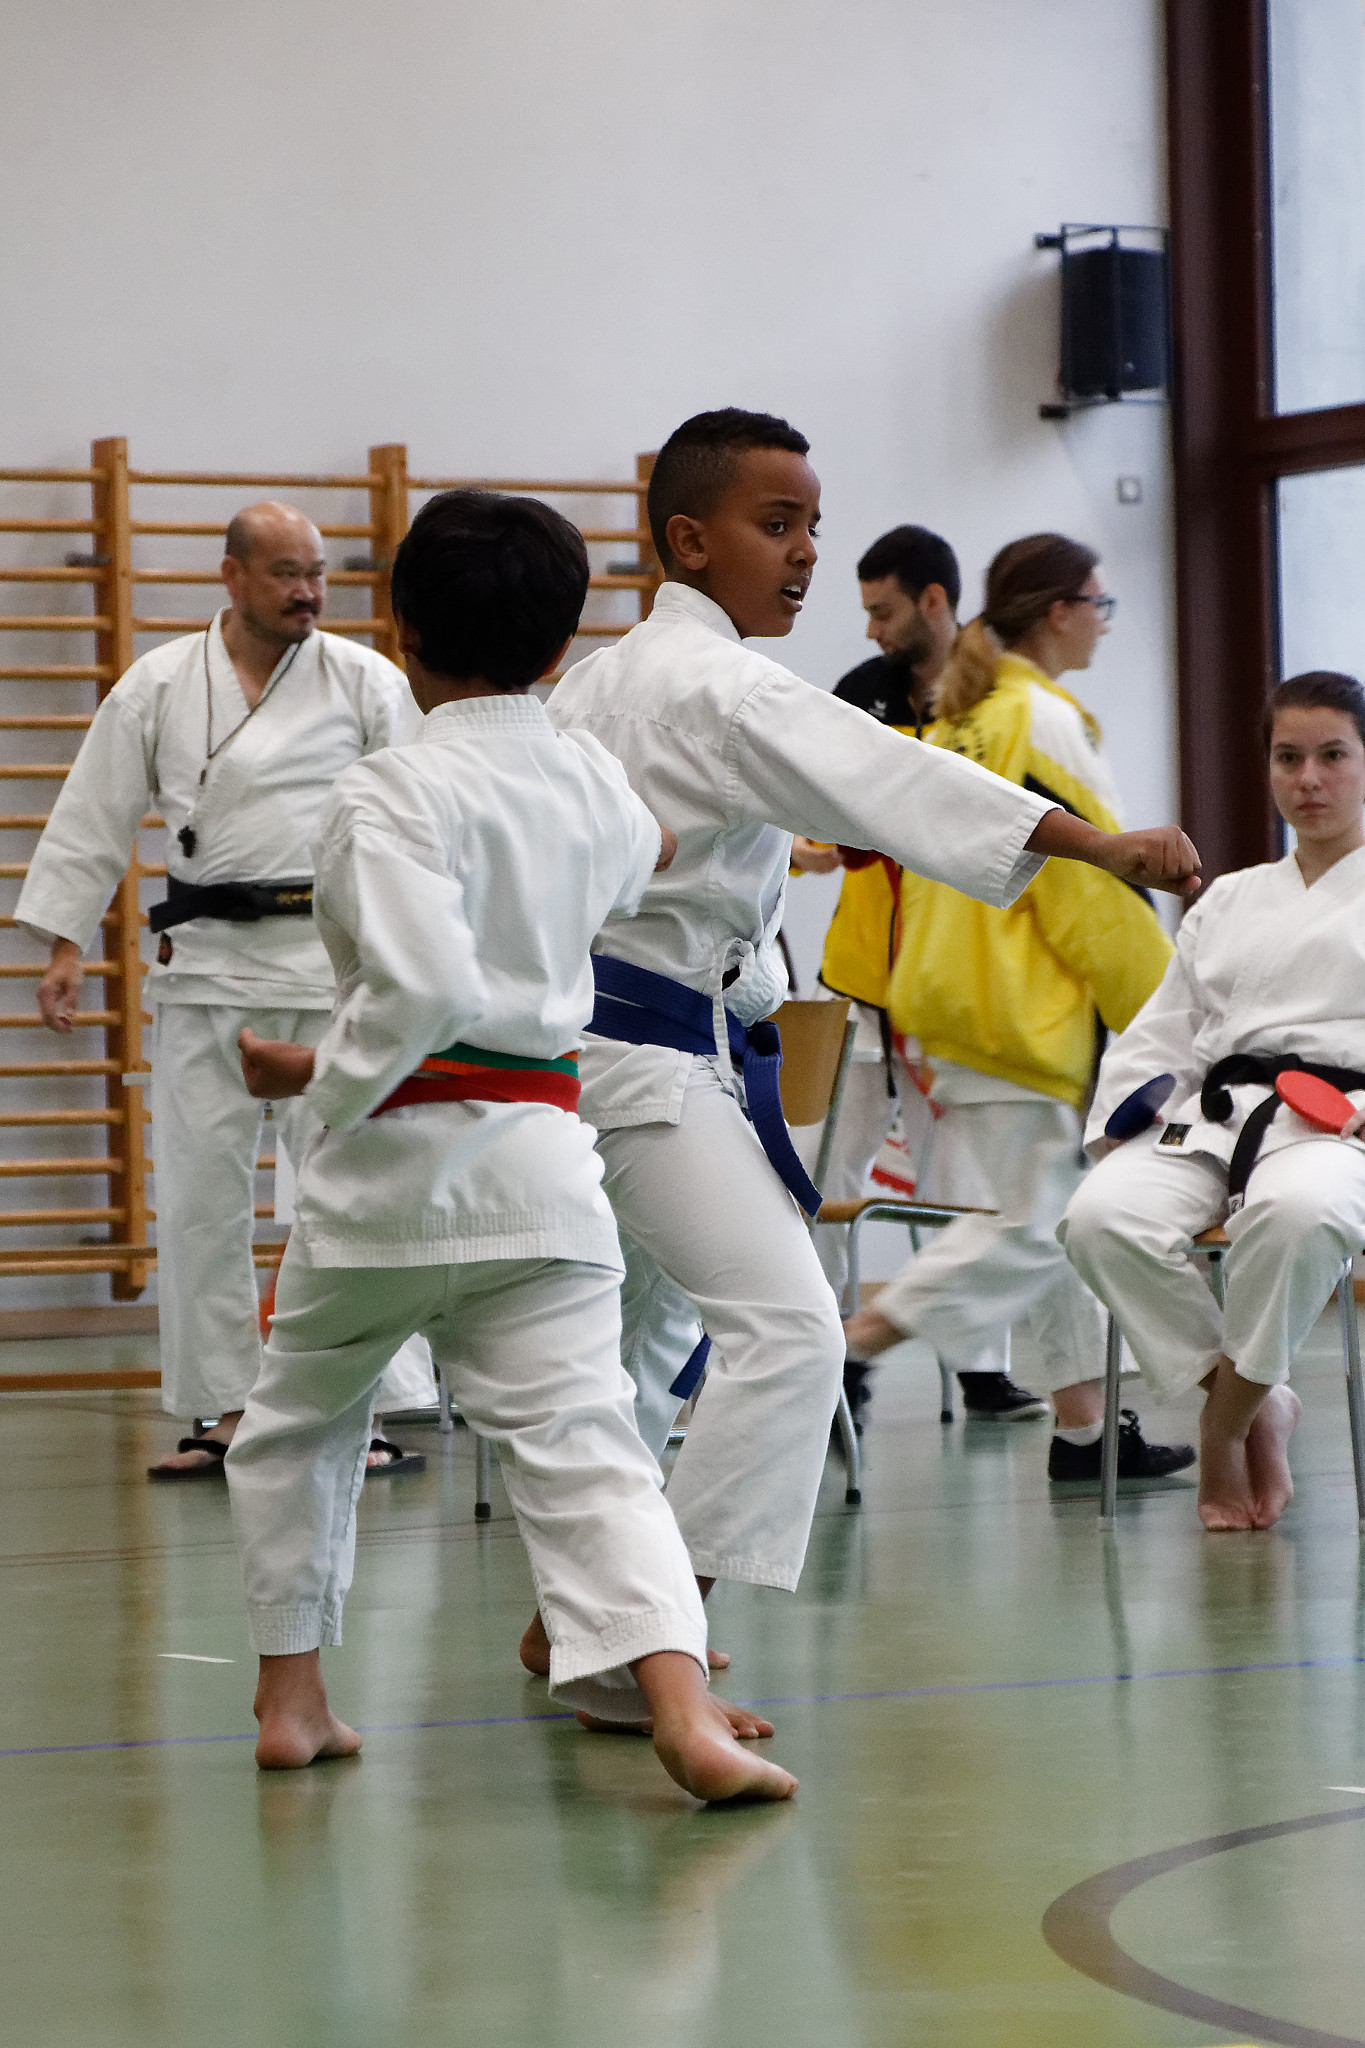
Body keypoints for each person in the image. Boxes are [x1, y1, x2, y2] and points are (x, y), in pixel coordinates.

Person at [539, 417, 1199, 1659]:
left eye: (811, 528)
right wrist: (1102, 845)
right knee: (790, 1333)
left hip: (589, 1051)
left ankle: (579, 1611)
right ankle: (647, 1639)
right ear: (690, 539)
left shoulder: (596, 680)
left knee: (627, 1348)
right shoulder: (723, 686)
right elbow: (903, 784)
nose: (803, 554)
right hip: (654, 1060)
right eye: (775, 525)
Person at [224, 487, 795, 1803]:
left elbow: (423, 985)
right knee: (590, 1446)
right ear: (560, 647)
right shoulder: (591, 780)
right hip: (541, 1170)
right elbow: (645, 849)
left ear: (400, 629)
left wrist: (322, 1080)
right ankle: (679, 1706)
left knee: (295, 1427)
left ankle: (292, 1699)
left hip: (386, 1177)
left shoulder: (386, 787)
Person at [15, 502, 434, 1476]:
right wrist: (65, 945)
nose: (307, 592)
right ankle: (225, 1408)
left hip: (331, 967)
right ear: (233, 575)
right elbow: (94, 814)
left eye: (317, 573)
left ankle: (361, 1406)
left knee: (343, 1189)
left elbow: (423, 808)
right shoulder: (160, 683)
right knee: (201, 1198)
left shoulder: (366, 680)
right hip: (203, 968)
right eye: (287, 573)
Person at [839, 532, 1196, 1484]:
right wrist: (1170, 1019)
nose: (1104, 623)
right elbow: (1096, 891)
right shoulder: (1040, 721)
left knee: (1047, 1217)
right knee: (1037, 1224)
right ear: (1058, 611)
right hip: (1017, 1009)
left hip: (956, 996)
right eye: (1099, 605)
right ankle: (855, 1341)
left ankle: (1084, 1431)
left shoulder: (965, 718)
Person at [1061, 670, 1365, 1530]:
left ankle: (1224, 1425)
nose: (1307, 779)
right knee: (1098, 1219)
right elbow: (1165, 1030)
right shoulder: (1229, 898)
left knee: (1297, 1214)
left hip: (1340, 1127)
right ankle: (1260, 1402)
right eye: (1287, 758)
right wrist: (1121, 1125)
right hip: (1217, 1117)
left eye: (1332, 756)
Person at [791, 524, 1044, 1426]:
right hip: (859, 982)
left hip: (955, 986)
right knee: (824, 1173)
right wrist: (815, 846)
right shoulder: (857, 697)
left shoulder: (996, 698)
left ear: (934, 602)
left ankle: (981, 1370)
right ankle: (831, 1358)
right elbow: (820, 817)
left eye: (884, 610)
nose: (871, 629)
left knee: (964, 1182)